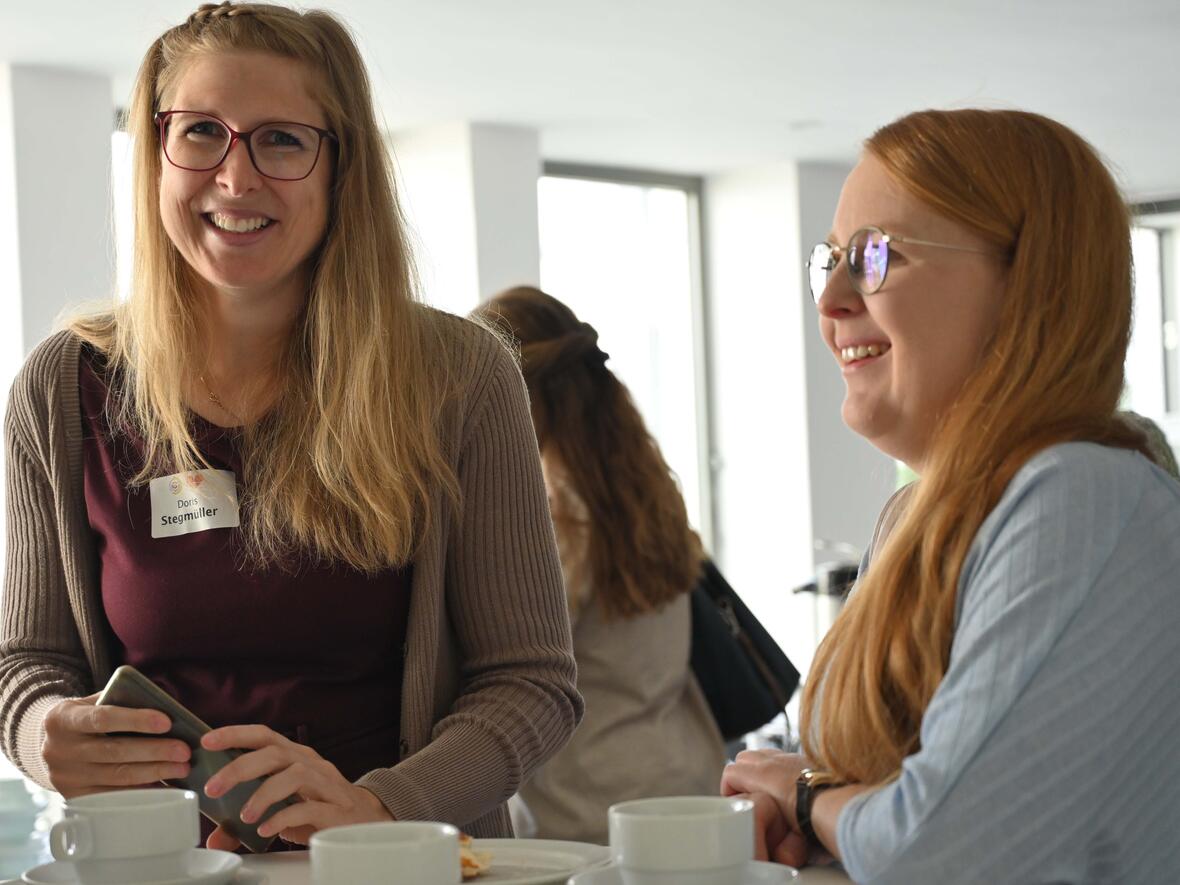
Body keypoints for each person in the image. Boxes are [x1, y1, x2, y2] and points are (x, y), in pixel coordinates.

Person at [0, 1, 581, 849]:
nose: (236, 179)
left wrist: (380, 810)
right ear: (155, 152)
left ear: (340, 166)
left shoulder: (459, 377)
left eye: (281, 140)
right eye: (200, 131)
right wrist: (39, 731)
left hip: (391, 869)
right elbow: (24, 666)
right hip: (153, 867)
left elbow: (530, 683)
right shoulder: (63, 388)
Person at [720, 108, 1180, 883]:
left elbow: (933, 849)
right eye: (828, 258)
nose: (830, 299)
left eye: (873, 256)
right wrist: (805, 795)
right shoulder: (920, 516)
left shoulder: (1081, 497)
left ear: (1031, 283)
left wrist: (806, 795)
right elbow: (843, 775)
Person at [476, 287, 726, 845]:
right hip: (682, 782)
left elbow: (512, 663)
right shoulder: (647, 490)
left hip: (591, 812)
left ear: (518, 390)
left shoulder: (555, 513)